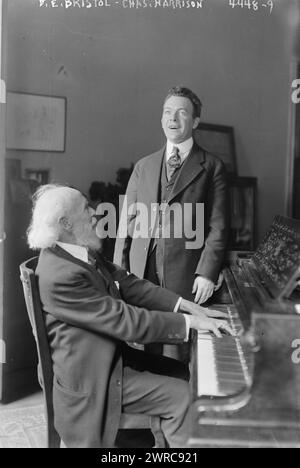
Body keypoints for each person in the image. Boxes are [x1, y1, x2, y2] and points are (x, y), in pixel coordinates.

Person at [27, 184, 231, 448]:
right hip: (92, 382)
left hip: (106, 361)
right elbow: (125, 321)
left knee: (180, 371)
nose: (93, 213)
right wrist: (190, 324)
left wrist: (185, 305)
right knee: (183, 396)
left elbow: (129, 283)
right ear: (65, 222)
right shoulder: (61, 275)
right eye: (85, 208)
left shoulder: (74, 252)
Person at [114, 86, 228, 362]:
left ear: (196, 121)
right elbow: (125, 225)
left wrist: (207, 273)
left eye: (181, 113)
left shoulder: (212, 166)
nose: (172, 119)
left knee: (178, 348)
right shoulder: (144, 166)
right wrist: (118, 272)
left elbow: (219, 226)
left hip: (185, 273)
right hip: (142, 271)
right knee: (141, 342)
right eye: (167, 112)